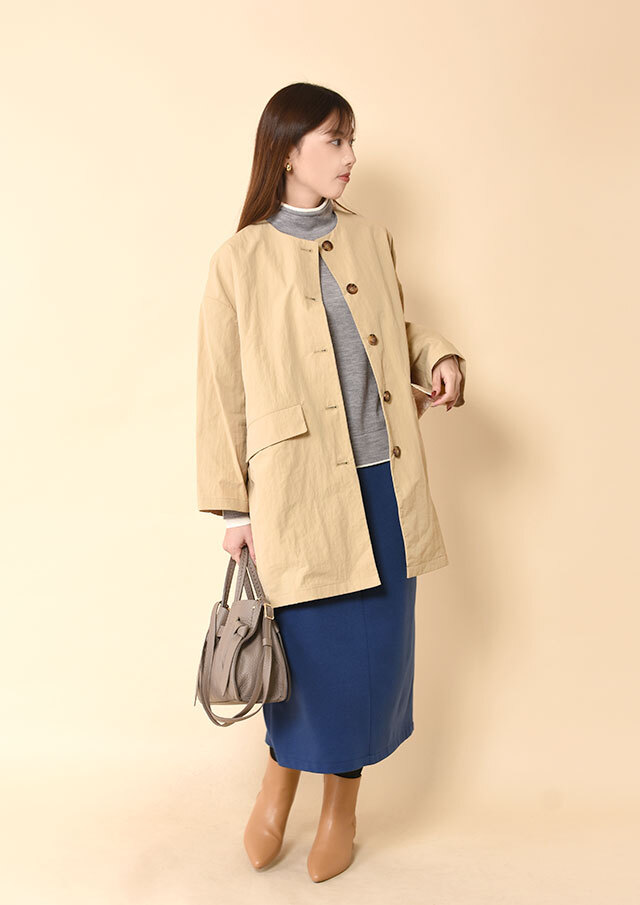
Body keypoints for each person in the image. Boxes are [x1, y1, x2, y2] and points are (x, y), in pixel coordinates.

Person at [196, 82, 466, 883]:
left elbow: (393, 325)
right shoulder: (239, 260)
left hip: (384, 480)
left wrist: (437, 354)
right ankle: (277, 785)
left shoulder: (370, 238)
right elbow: (220, 390)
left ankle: (341, 808)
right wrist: (235, 506)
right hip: (298, 493)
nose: (350, 157)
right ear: (289, 151)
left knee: (374, 660)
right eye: (335, 140)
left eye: (352, 140)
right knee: (305, 657)